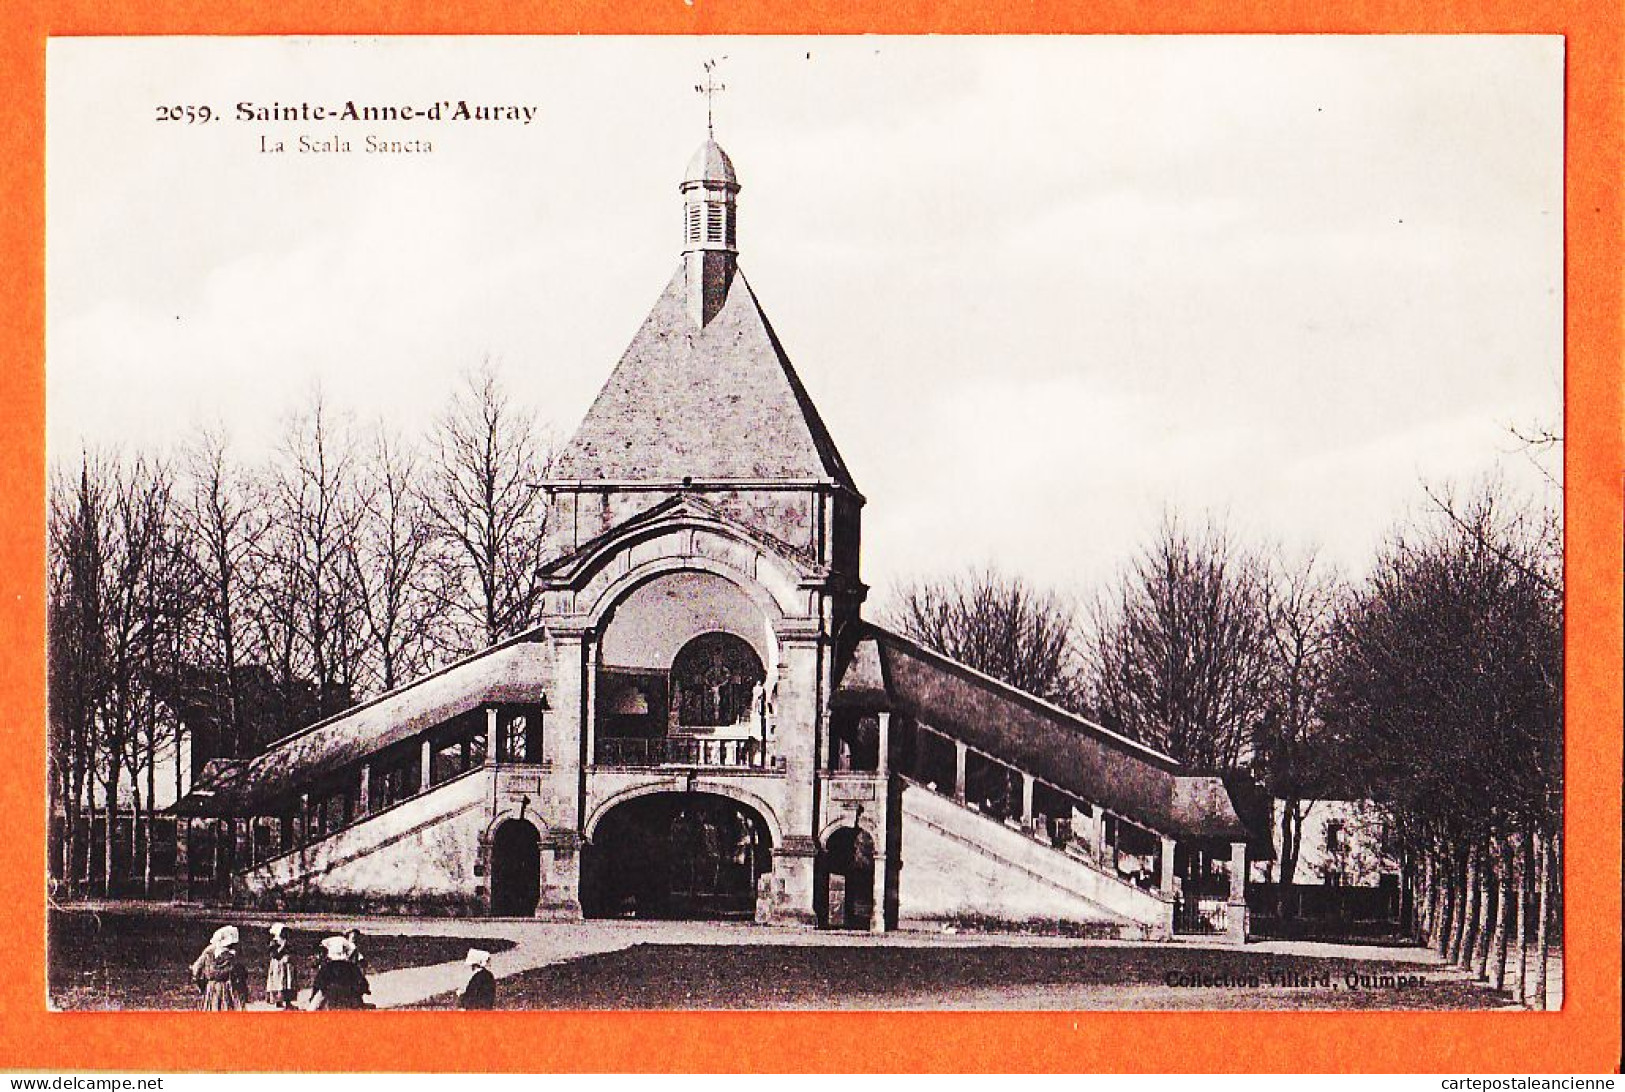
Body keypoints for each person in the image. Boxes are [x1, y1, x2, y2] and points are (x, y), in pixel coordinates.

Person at [189, 925, 249, 1011]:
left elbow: (196, 970)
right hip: (227, 987)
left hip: (211, 987)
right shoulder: (233, 957)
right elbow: (241, 975)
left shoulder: (208, 952)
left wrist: (201, 986)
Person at [308, 936, 369, 1009]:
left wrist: (313, 998)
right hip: (349, 999)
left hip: (331, 1000)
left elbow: (318, 985)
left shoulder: (326, 968)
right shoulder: (351, 967)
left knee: (314, 1006)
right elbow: (362, 983)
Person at [264, 923, 298, 1009]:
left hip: (286, 966)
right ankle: (278, 1001)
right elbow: (274, 954)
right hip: (278, 966)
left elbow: (292, 950)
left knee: (287, 982)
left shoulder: (287, 941)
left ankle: (287, 1002)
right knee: (279, 982)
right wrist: (282, 948)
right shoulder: (274, 942)